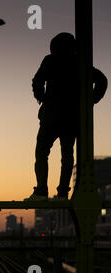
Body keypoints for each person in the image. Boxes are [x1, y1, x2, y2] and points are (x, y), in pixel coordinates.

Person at [25, 32, 108, 201]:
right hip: (72, 118)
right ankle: (63, 193)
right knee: (67, 155)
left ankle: (41, 190)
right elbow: (102, 80)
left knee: (42, 152)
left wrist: (42, 98)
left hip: (51, 117)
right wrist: (91, 101)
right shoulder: (80, 64)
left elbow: (37, 80)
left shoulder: (50, 60)